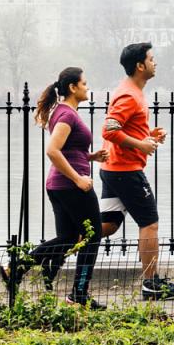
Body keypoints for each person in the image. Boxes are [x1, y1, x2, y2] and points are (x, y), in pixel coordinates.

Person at [8, 66, 108, 307]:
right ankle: (79, 295)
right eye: (84, 84)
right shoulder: (67, 115)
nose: (87, 87)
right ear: (73, 88)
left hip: (59, 184)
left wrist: (91, 157)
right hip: (71, 185)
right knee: (92, 237)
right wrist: (78, 179)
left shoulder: (64, 112)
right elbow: (52, 151)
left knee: (68, 238)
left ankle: (16, 269)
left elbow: (67, 149)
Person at [98, 42, 174, 300]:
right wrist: (141, 144)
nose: (155, 62)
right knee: (149, 223)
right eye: (151, 58)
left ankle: (49, 255)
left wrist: (148, 135)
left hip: (114, 168)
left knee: (105, 226)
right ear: (140, 65)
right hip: (125, 170)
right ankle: (151, 284)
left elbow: (122, 128)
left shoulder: (133, 92)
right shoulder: (129, 94)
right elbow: (109, 130)